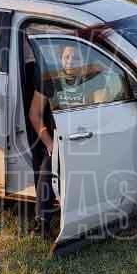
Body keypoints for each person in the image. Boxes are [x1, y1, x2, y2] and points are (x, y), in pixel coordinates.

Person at [27, 44, 108, 238]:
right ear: (60, 58)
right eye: (67, 57)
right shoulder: (50, 80)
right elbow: (34, 115)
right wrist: (49, 143)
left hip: (83, 137)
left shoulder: (92, 80)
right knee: (47, 171)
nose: (71, 61)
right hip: (58, 140)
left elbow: (98, 112)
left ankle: (86, 220)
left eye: (76, 58)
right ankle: (42, 222)